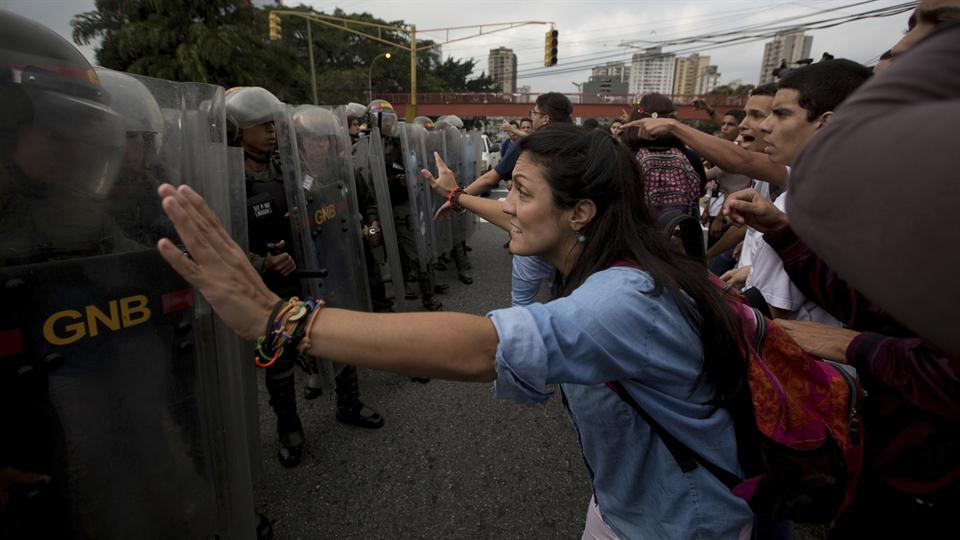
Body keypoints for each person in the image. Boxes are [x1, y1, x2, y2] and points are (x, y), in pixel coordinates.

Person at [155, 123, 755, 538]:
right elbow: (513, 217)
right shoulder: (625, 260)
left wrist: (282, 318)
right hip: (635, 508)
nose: (507, 204)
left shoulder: (622, 299)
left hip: (677, 524)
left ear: (580, 213)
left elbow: (481, 347)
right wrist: (460, 197)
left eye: (520, 191)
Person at [723, 20, 960, 538]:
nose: (760, 128)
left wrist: (853, 346)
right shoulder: (893, 200)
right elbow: (878, 308)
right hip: (889, 455)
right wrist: (784, 236)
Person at [227, 88, 383, 468]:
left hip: (313, 271)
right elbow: (219, 237)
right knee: (278, 364)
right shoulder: (226, 178)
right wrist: (262, 263)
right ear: (237, 130)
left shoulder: (291, 167)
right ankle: (289, 429)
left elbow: (323, 202)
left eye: (274, 125)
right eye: (260, 126)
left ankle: (348, 404)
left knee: (338, 338)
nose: (270, 132)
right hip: (267, 286)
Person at [741, 59, 871, 323]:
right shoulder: (859, 188)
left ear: (827, 124)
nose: (766, 125)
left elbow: (771, 314)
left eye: (781, 114)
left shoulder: (810, 203)